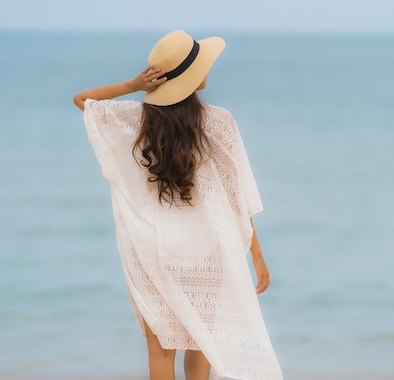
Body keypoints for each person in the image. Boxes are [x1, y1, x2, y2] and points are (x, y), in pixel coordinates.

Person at [73, 30, 283, 380]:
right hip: (205, 250)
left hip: (154, 248)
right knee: (202, 343)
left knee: (160, 350)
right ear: (189, 78)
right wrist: (256, 255)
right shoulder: (218, 122)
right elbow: (237, 196)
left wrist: (135, 84)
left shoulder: (134, 119)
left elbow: (84, 100)